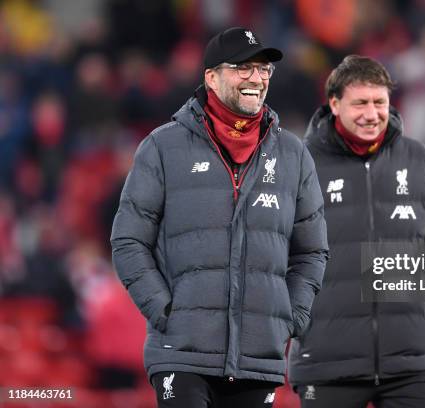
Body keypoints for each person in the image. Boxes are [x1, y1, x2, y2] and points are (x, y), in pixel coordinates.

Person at [110, 27, 328, 408]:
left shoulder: (294, 155)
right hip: (181, 351)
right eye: (243, 68)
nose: (256, 78)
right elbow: (128, 239)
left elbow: (312, 251)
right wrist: (166, 310)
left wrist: (290, 317)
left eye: (263, 70)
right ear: (211, 77)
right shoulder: (162, 146)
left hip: (258, 356)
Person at [288, 55, 425, 408]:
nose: (372, 113)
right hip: (327, 360)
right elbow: (276, 250)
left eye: (379, 102)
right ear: (334, 104)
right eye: (360, 103)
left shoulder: (420, 161)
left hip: (409, 361)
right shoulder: (300, 166)